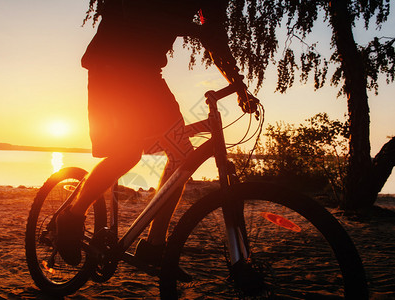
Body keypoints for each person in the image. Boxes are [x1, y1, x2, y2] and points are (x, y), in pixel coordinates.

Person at [55, 0, 257, 269]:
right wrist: (197, 31)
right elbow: (135, 11)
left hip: (147, 72)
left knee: (182, 155)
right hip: (110, 62)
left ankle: (154, 245)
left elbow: (214, 36)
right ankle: (71, 216)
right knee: (126, 155)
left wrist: (238, 83)